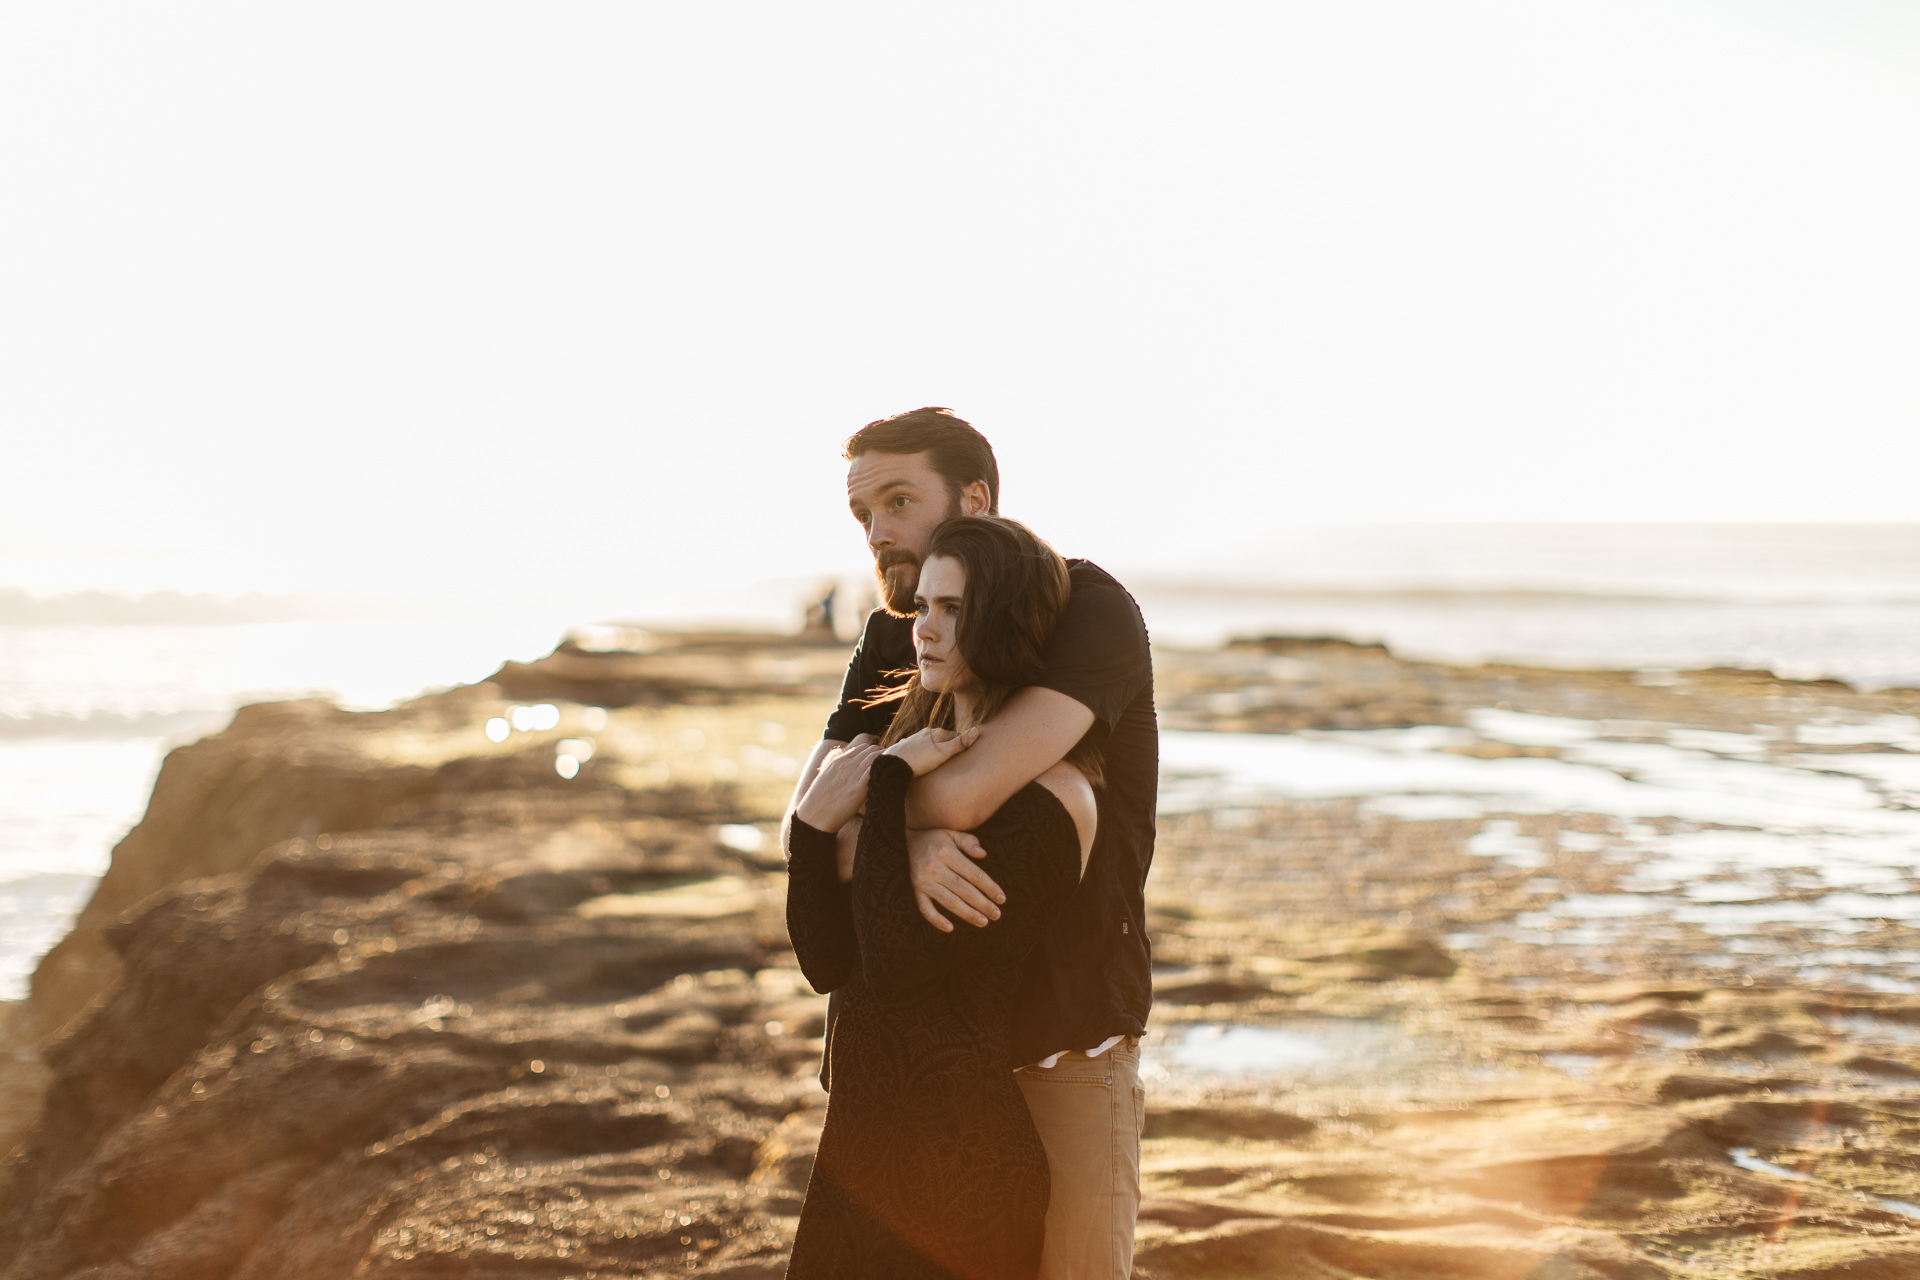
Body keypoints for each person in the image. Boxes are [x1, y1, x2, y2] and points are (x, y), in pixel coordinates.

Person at [783, 407, 1157, 1280]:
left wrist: (870, 827)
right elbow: (808, 809)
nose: (878, 533)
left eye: (899, 501)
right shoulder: (892, 631)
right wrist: (903, 850)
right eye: (862, 514)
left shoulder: (1088, 608)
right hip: (902, 1046)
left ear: (976, 499)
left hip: (1058, 1039)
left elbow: (961, 795)